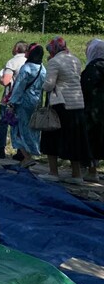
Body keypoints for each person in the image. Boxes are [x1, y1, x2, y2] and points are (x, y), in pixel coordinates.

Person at [39, 36, 92, 184]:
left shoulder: (54, 62)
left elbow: (49, 84)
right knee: (75, 139)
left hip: (60, 104)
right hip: (77, 103)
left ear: (53, 49)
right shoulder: (75, 59)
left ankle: (53, 172)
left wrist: (41, 88)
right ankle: (77, 175)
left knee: (52, 137)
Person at [7, 43, 47, 168]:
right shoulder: (42, 68)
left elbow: (19, 87)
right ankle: (30, 153)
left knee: (18, 129)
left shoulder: (26, 68)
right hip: (36, 102)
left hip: (23, 103)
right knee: (32, 129)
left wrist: (12, 102)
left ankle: (26, 157)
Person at [0, 41, 28, 158]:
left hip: (10, 97)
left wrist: (0, 79)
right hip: (24, 98)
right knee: (20, 125)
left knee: (3, 122)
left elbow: (6, 81)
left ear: (16, 49)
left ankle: (0, 149)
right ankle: (21, 152)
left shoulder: (13, 61)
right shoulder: (28, 62)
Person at [81, 39, 104, 183]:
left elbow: (85, 89)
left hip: (93, 110)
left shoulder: (93, 68)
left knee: (91, 141)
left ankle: (92, 171)